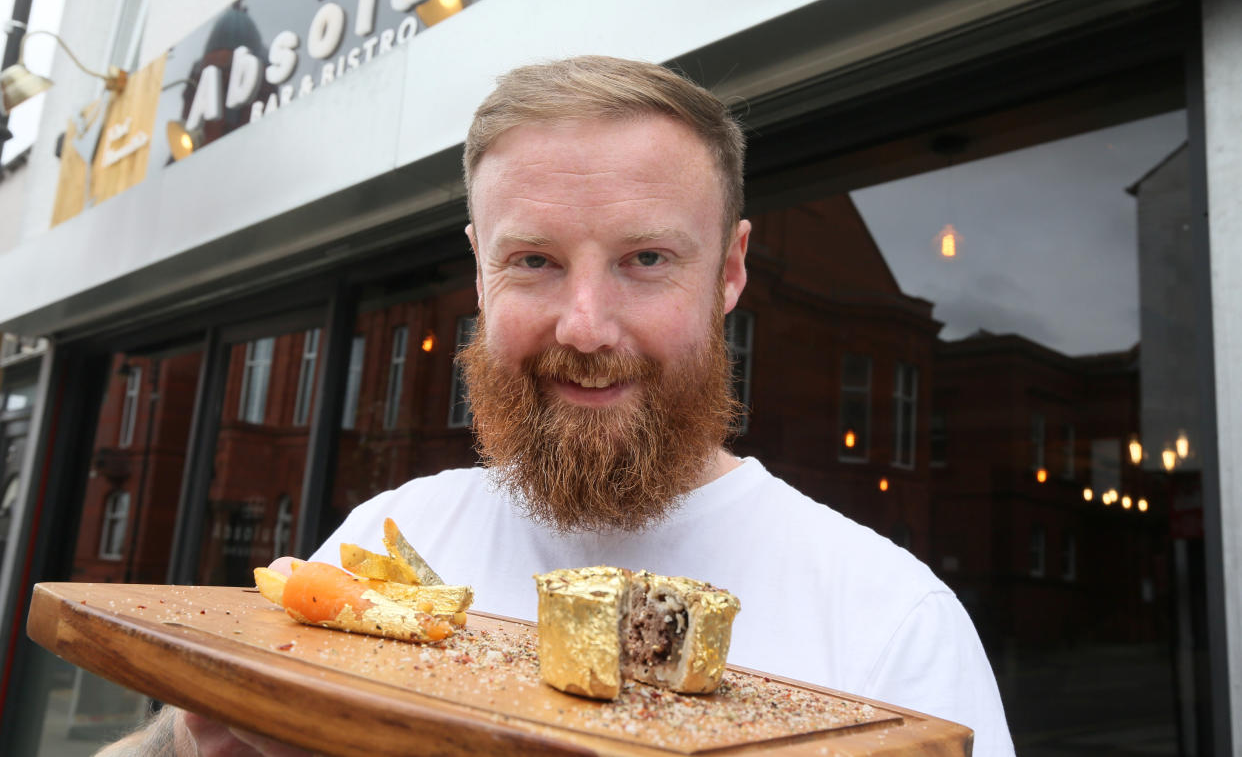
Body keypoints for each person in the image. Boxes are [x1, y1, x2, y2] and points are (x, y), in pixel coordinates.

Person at [104, 56, 1014, 756]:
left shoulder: (889, 623)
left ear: (730, 271)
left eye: (646, 260)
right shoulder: (390, 541)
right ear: (479, 269)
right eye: (534, 260)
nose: (584, 327)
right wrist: (195, 733)